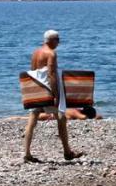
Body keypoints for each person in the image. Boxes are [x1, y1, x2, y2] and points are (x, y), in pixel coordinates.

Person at [23, 30, 84, 163]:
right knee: (61, 118)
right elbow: (51, 74)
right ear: (50, 40)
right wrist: (55, 94)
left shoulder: (35, 53)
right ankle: (67, 152)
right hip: (48, 89)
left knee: (32, 120)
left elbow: (33, 72)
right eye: (57, 39)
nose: (59, 41)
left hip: (36, 87)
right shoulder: (51, 53)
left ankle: (26, 153)